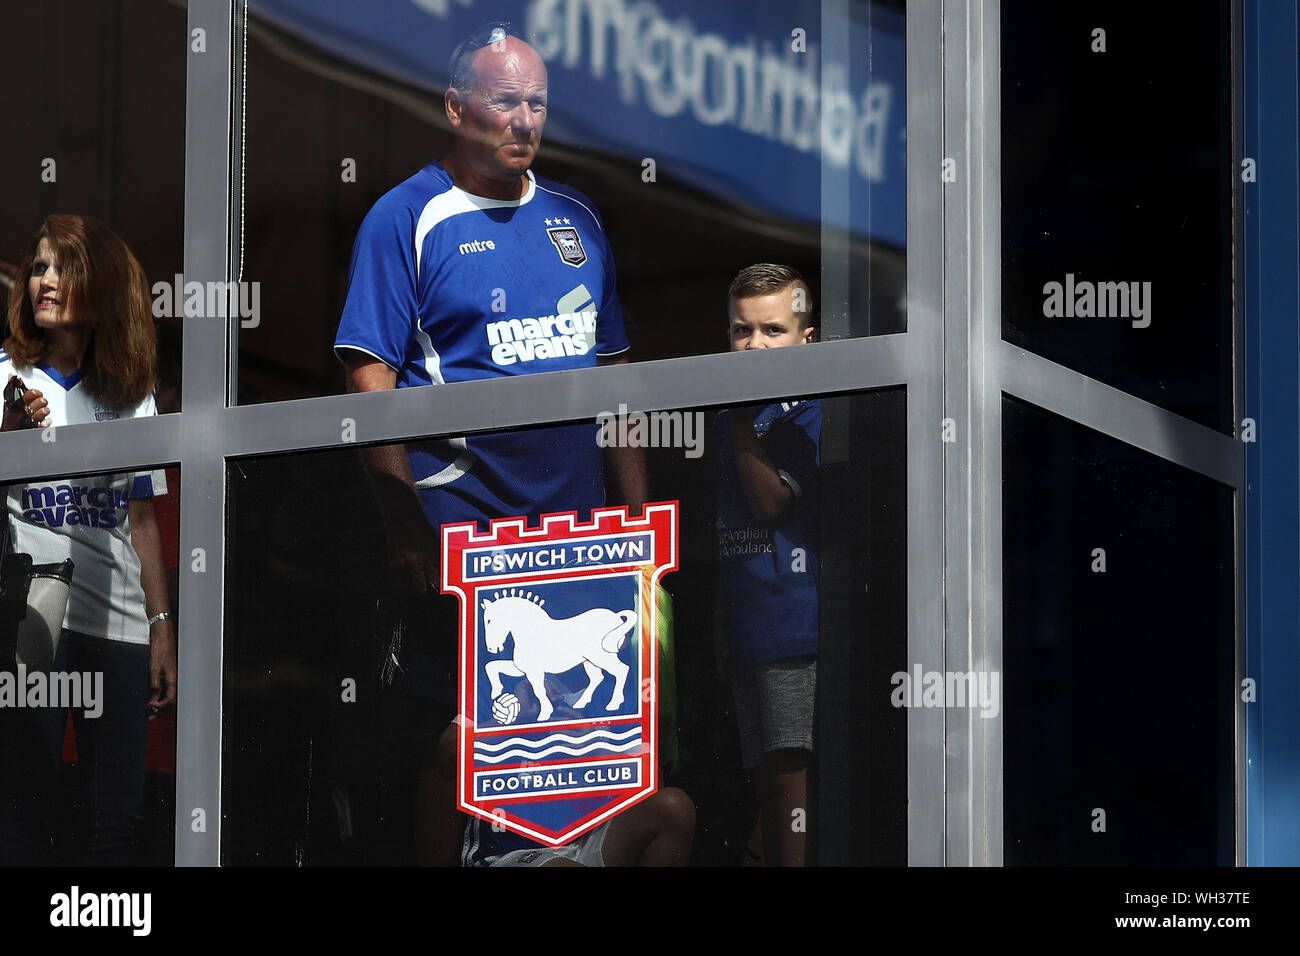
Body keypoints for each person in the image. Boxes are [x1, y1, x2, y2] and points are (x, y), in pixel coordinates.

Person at [333, 22, 650, 863]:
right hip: (467, 546)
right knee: (466, 762)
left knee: (574, 792)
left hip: (582, 555)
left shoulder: (577, 217)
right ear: (455, 106)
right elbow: (370, 379)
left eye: (537, 102)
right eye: (504, 100)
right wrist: (405, 526)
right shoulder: (406, 217)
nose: (524, 119)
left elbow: (618, 381)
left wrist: (638, 525)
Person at [0, 214, 176, 865]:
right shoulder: (4, 377)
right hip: (32, 617)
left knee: (117, 818)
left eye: (61, 267)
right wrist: (10, 433)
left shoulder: (131, 392)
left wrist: (162, 627)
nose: (43, 280)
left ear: (98, 285)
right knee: (23, 804)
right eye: (38, 266)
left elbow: (142, 517)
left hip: (120, 623)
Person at [713, 264, 821, 867]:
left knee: (789, 775)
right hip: (746, 625)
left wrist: (732, 417)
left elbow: (770, 501)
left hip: (792, 623)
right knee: (763, 777)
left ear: (808, 340)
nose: (754, 345)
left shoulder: (811, 411)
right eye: (741, 330)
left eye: (772, 330)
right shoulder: (741, 415)